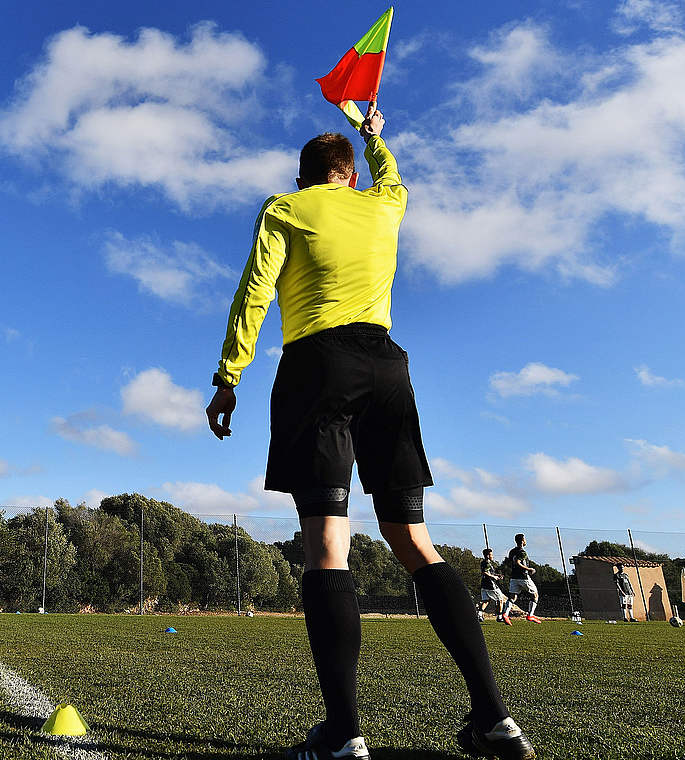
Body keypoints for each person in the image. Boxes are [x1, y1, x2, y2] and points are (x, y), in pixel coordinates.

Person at [204, 106, 534, 760]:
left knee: (329, 546)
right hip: (388, 367)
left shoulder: (286, 208)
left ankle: (344, 735)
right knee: (414, 540)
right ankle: (496, 719)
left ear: (305, 179)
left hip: (317, 368)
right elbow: (395, 176)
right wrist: (374, 134)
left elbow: (255, 292)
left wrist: (227, 375)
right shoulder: (385, 204)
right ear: (349, 177)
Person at [502, 534, 542, 624]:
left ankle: (505, 614)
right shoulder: (522, 552)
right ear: (523, 540)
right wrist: (529, 569)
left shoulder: (512, 551)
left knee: (512, 597)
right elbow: (517, 562)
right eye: (525, 539)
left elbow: (510, 563)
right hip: (523, 577)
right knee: (535, 595)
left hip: (513, 577)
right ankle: (530, 615)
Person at [477, 548, 512, 626]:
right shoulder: (487, 563)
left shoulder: (484, 562)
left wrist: (497, 575)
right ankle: (499, 617)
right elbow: (485, 572)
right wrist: (494, 577)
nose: (492, 556)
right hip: (490, 585)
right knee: (500, 599)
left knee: (486, 600)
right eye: (491, 554)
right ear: (487, 555)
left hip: (484, 585)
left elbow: (489, 572)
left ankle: (479, 614)